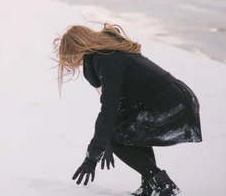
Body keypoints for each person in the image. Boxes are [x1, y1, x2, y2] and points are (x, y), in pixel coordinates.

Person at [54, 23, 202, 196]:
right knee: (126, 135)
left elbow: (109, 108)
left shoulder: (107, 59)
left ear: (78, 48)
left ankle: (161, 185)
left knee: (120, 138)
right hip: (175, 100)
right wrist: (107, 137)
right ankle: (150, 185)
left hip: (171, 104)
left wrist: (92, 155)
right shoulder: (109, 55)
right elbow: (120, 106)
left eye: (73, 57)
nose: (75, 63)